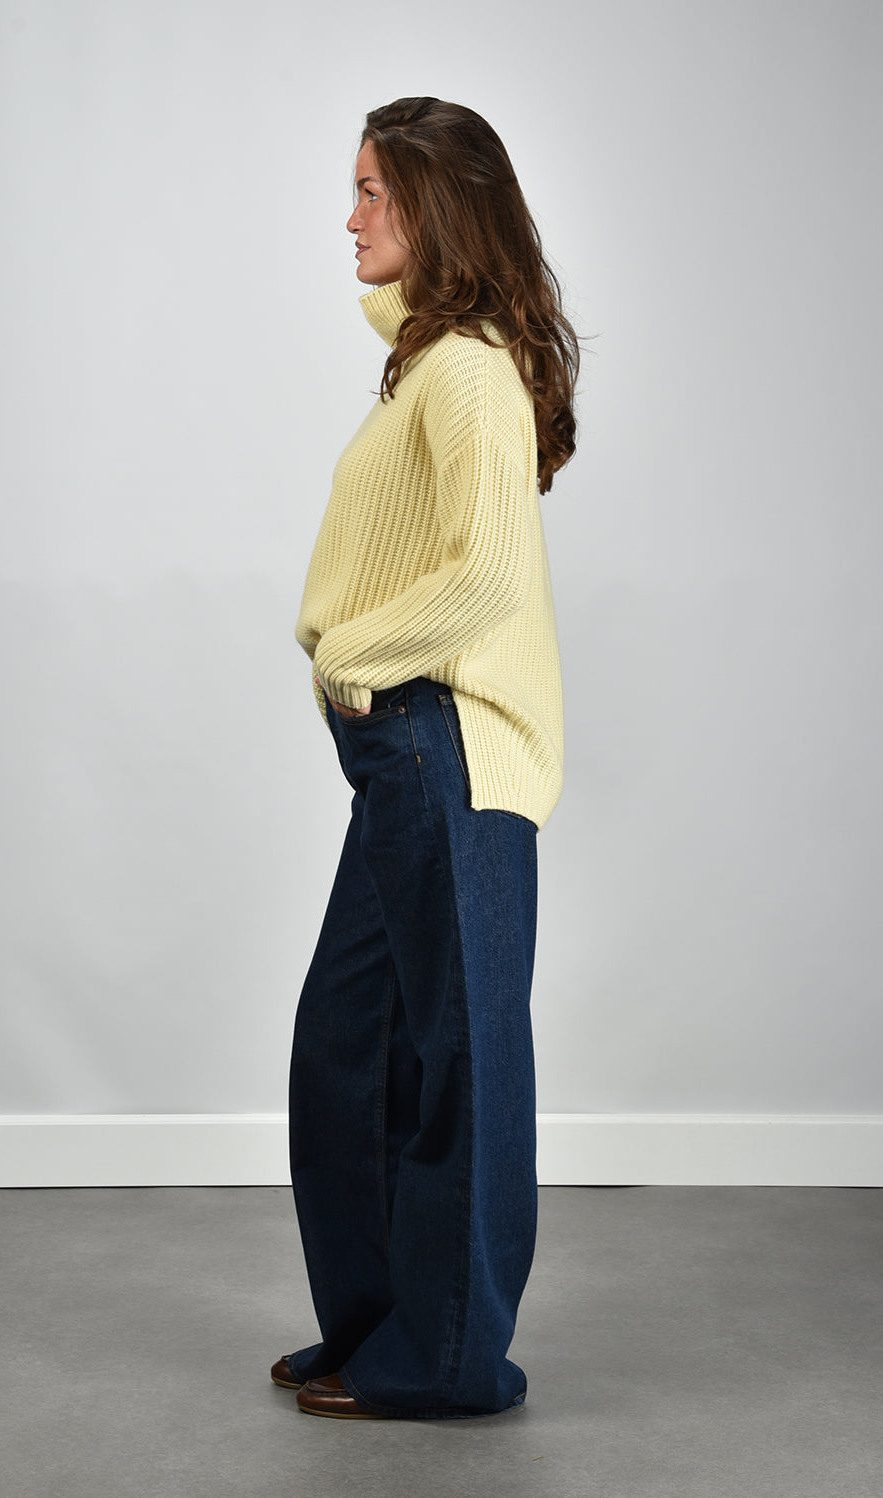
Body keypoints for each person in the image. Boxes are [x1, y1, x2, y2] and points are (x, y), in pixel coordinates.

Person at [273, 96, 578, 1420]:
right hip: (405, 749)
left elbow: (487, 573)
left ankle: (447, 1361)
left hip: (450, 742)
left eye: (371, 191)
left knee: (458, 1060)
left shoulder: (466, 367)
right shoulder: (433, 359)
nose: (349, 217)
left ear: (435, 204)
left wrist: (351, 651)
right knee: (352, 1047)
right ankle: (379, 1325)